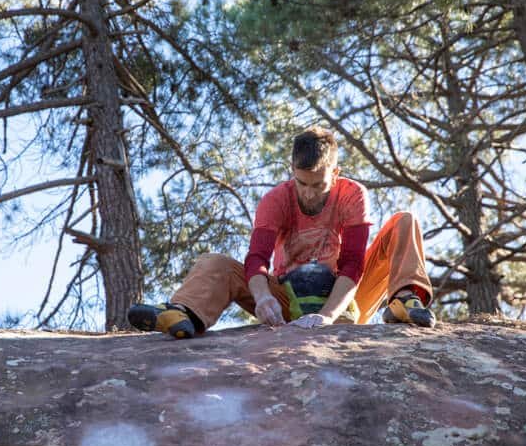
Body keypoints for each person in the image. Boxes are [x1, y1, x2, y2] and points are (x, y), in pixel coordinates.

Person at [128, 126, 436, 339]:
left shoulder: (352, 194)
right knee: (215, 263)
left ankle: (405, 301)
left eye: (318, 185)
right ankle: (184, 312)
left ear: (336, 173)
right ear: (292, 170)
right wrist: (262, 298)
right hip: (287, 299)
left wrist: (328, 316)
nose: (309, 193)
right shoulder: (276, 199)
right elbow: (256, 259)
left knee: (404, 221)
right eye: (301, 183)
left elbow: (354, 263)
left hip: (344, 297)